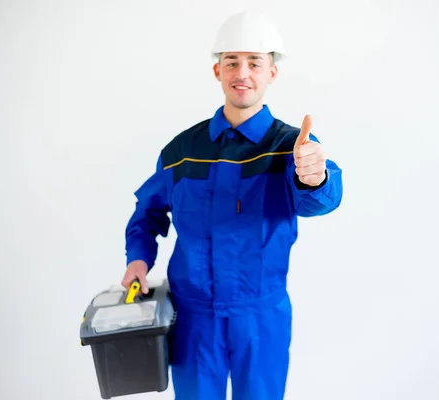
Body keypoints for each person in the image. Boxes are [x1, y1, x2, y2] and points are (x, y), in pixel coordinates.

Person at [120, 11, 343, 400]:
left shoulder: (292, 148)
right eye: (232, 62)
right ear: (217, 72)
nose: (243, 72)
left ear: (272, 72)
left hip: (260, 316)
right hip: (192, 318)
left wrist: (316, 177)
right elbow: (147, 213)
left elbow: (318, 199)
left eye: (254, 62)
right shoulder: (182, 152)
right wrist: (138, 260)